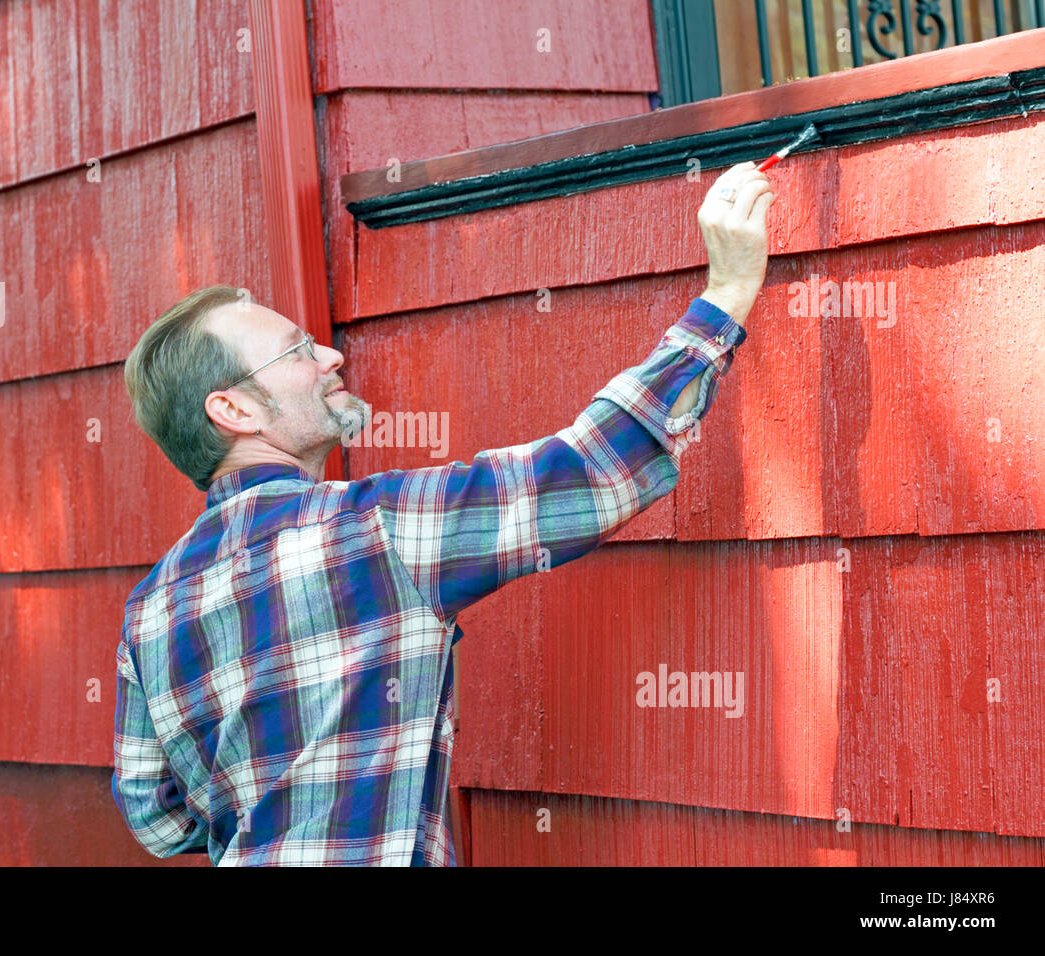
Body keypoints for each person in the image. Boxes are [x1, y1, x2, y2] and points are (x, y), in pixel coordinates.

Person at [111, 162, 774, 865]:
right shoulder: (375, 530)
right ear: (234, 409)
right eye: (298, 351)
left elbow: (158, 820)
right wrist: (725, 296)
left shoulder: (150, 611)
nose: (330, 354)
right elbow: (584, 475)